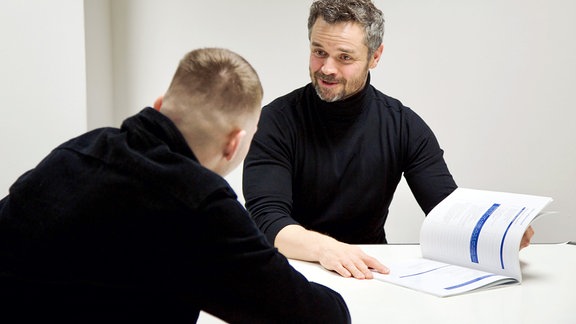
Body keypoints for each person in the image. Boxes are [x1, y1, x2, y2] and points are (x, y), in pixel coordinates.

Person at [0, 48, 350, 323]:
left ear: (158, 106)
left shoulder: (75, 151)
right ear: (234, 143)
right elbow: (317, 316)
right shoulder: (200, 204)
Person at [243, 0, 535, 280]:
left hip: (371, 271)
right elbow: (267, 220)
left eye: (344, 57)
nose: (327, 68)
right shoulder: (275, 121)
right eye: (319, 52)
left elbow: (447, 212)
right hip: (292, 268)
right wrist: (327, 250)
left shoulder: (403, 126)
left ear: (375, 56)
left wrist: (500, 232)